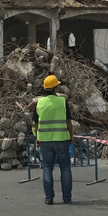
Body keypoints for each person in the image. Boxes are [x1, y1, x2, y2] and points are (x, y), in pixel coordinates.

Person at [33, 74, 73, 205]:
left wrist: (37, 138)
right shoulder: (62, 102)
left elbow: (35, 124)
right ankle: (67, 198)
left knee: (47, 169)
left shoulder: (39, 103)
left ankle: (49, 197)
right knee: (65, 169)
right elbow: (68, 121)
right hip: (61, 140)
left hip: (46, 141)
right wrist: (71, 135)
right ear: (55, 88)